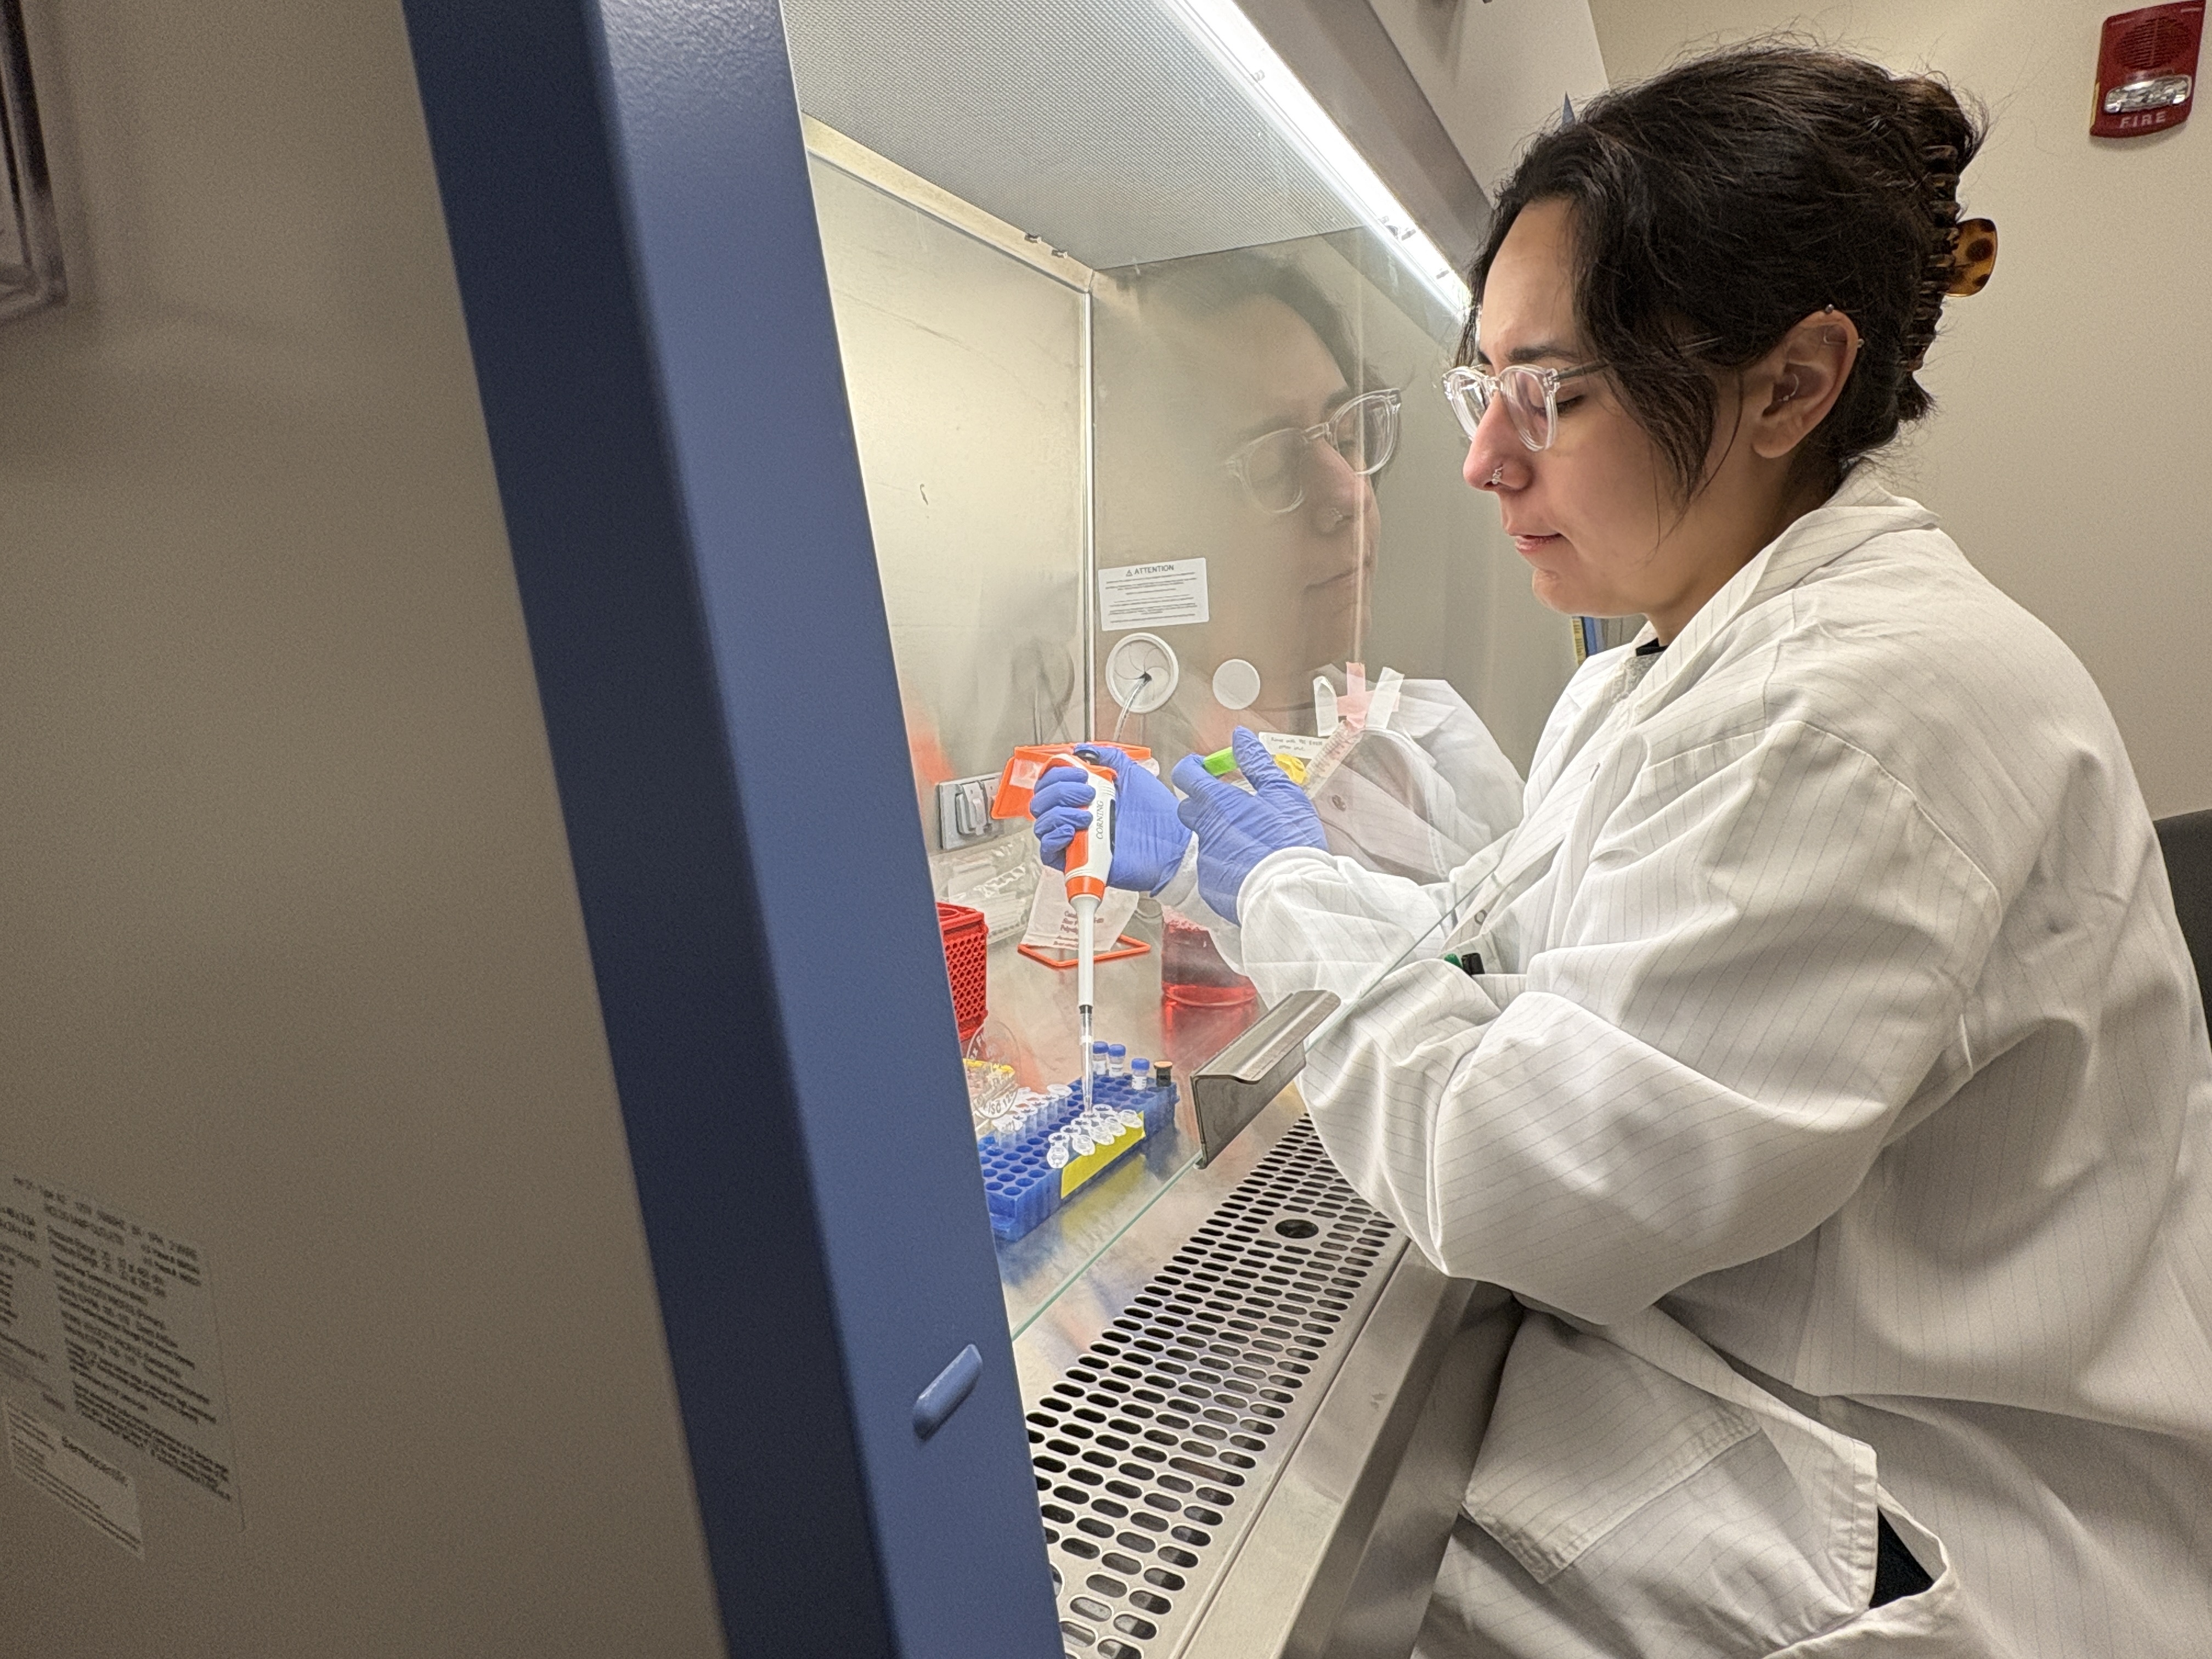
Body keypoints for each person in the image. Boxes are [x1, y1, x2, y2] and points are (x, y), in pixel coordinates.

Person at [1030, 45, 2212, 1657]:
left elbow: (1521, 1175)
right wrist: (1295, 868)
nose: (1482, 462)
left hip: (1929, 1526)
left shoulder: (1859, 710)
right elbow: (1542, 968)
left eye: (1555, 393)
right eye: (1479, 389)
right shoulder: (1671, 663)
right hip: (1764, 1397)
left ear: (1790, 384)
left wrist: (1276, 884)